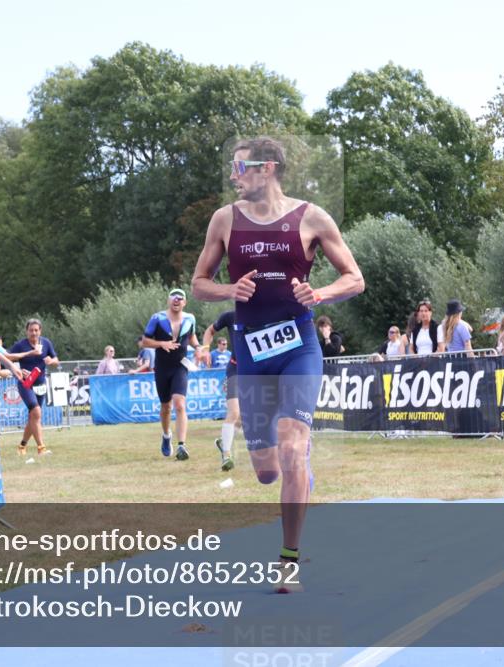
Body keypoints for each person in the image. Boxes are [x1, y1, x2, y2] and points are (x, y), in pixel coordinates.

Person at [191, 136, 364, 593]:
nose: (233, 176)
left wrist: (321, 293)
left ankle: (288, 560)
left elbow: (355, 277)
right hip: (250, 354)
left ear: (266, 169)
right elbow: (199, 283)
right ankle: (296, 466)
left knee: (291, 450)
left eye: (239, 167)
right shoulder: (224, 220)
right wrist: (230, 292)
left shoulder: (311, 217)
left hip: (298, 347)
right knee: (268, 470)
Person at [143, 288, 200, 461]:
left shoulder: (190, 318)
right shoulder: (157, 318)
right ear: (169, 301)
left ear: (185, 302)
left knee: (180, 404)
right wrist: (161, 344)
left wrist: (198, 348)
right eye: (174, 297)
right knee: (165, 407)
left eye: (180, 298)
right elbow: (144, 341)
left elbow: (192, 337)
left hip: (180, 365)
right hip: (162, 367)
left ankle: (182, 445)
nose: (177, 300)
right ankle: (166, 436)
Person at [8, 318, 60, 457]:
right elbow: (8, 358)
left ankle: (22, 446)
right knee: (36, 412)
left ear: (40, 331)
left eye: (36, 330)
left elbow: (56, 360)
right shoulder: (20, 345)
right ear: (27, 331)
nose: (34, 333)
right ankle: (41, 448)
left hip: (40, 383)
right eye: (31, 330)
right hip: (26, 383)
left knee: (34, 417)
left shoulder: (46, 342)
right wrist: (19, 368)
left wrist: (51, 361)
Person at [202, 310, 239, 471]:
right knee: (234, 412)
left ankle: (224, 442)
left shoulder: (264, 314)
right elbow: (210, 330)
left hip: (255, 370)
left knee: (244, 418)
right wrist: (205, 348)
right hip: (235, 369)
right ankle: (226, 455)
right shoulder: (230, 316)